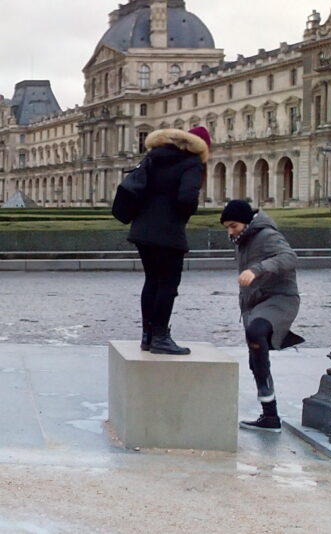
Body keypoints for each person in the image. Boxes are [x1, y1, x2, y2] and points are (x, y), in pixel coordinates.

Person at [220, 199, 305, 432]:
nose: (230, 231)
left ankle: (270, 416)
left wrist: (256, 270)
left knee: (256, 333)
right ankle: (270, 416)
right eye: (226, 226)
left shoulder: (267, 235)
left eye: (233, 225)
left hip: (280, 299)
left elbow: (290, 258)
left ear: (246, 222)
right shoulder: (242, 239)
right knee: (255, 355)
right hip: (255, 305)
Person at [127, 126, 211, 354]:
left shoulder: (153, 157)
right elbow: (187, 197)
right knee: (168, 284)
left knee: (152, 281)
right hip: (168, 231)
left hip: (142, 229)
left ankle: (147, 335)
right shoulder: (192, 163)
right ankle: (161, 338)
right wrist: (183, 214)